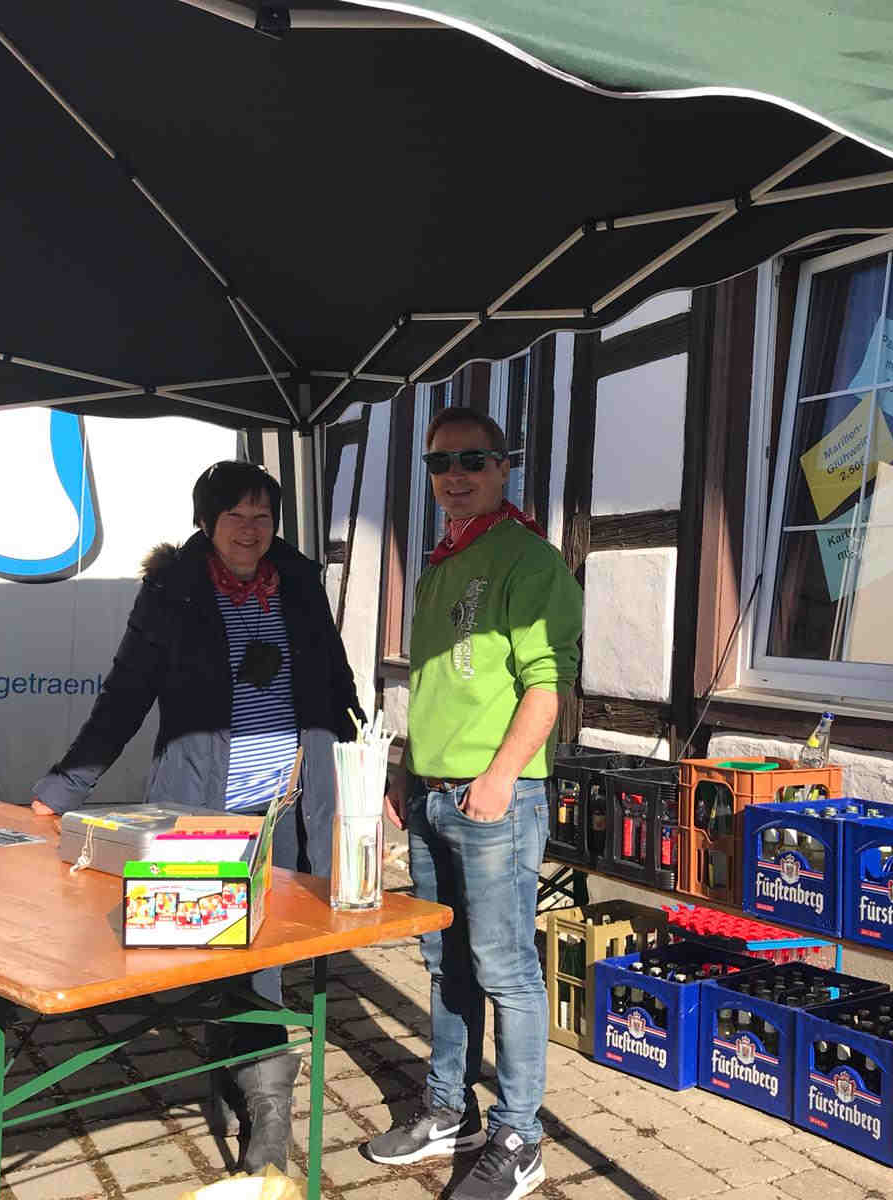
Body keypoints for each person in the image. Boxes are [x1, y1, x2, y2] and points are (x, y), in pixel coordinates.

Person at [30, 460, 362, 1173]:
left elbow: (335, 678)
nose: (250, 530)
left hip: (290, 807)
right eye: (235, 516)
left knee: (266, 956)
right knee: (222, 954)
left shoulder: (299, 581)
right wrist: (63, 788)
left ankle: (267, 1117)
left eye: (263, 516)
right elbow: (125, 695)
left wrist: (363, 770)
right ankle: (249, 1095)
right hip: (203, 811)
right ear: (206, 522)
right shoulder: (173, 591)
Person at [362, 409, 581, 1200]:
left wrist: (498, 777)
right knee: (443, 962)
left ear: (503, 466)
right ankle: (448, 1111)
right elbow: (435, 687)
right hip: (431, 795)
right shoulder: (440, 563)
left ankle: (519, 1137)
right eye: (440, 463)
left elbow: (547, 688)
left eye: (472, 460)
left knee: (505, 969)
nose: (455, 475)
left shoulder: (529, 559)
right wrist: (404, 769)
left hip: (496, 799)